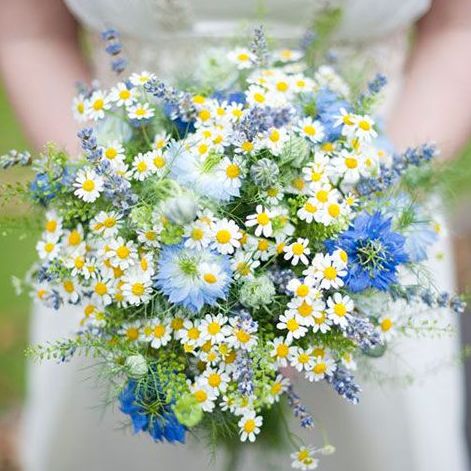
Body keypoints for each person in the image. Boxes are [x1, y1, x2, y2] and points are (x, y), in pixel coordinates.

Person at [0, 0, 470, 470]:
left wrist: (355, 214)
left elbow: (457, 28)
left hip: (369, 244)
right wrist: (118, 206)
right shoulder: (125, 239)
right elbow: (30, 33)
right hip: (122, 259)